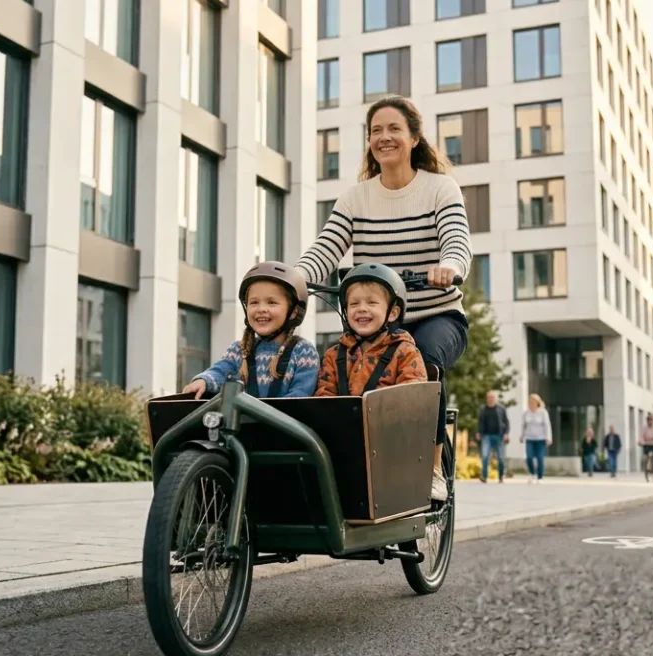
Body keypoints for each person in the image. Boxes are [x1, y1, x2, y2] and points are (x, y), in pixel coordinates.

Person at [294, 95, 472, 502]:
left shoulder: (440, 188)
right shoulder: (357, 198)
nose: (384, 137)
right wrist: (295, 279)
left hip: (436, 315)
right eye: (376, 131)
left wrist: (450, 265)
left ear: (413, 138)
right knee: (335, 370)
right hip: (378, 321)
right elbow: (326, 249)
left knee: (422, 359)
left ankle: (429, 469)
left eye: (394, 129)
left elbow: (457, 240)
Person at [183, 262, 320, 399]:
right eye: (254, 302)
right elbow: (220, 371)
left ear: (294, 311)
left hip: (284, 420)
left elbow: (300, 397)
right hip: (243, 420)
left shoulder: (304, 352)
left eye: (271, 302)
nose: (261, 309)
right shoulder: (239, 350)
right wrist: (204, 381)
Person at [315, 264, 428, 397]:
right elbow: (323, 398)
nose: (361, 309)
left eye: (372, 303)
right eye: (354, 304)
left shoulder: (406, 353)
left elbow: (412, 397)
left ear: (392, 313)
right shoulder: (333, 356)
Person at [477, 392, 509, 484]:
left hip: (499, 436)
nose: (491, 399)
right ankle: (484, 476)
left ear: (495, 398)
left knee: (501, 457)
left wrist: (506, 433)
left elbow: (506, 422)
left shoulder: (501, 409)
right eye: (489, 397)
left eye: (492, 397)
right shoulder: (483, 409)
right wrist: (479, 432)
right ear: (487, 399)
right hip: (486, 436)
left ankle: (501, 476)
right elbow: (480, 422)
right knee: (485, 456)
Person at [522, 394, 552, 483]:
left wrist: (548, 437)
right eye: (530, 402)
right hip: (529, 438)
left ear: (537, 403)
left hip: (540, 439)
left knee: (540, 458)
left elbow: (547, 425)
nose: (531, 404)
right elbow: (523, 425)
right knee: (529, 457)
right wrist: (522, 435)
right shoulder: (526, 413)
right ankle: (532, 473)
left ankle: (540, 477)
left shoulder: (543, 412)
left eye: (533, 402)